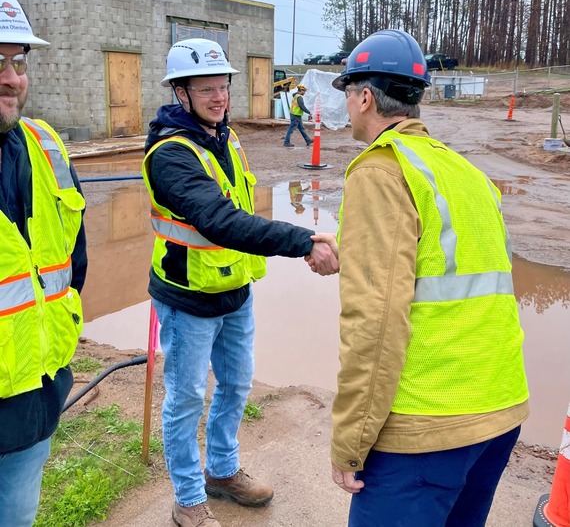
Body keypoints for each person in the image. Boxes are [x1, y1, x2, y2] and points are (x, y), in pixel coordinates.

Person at [323, 29, 529, 527]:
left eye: (348, 93)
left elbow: (373, 322)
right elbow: (451, 275)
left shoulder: (380, 172)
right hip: (499, 409)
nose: (347, 106)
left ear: (366, 97)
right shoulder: (463, 171)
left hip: (428, 424)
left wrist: (350, 441)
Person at [141, 38, 338, 527]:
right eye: (205, 89)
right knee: (186, 399)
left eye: (223, 87)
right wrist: (303, 241)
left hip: (234, 293)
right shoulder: (171, 155)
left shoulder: (226, 140)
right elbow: (220, 219)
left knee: (235, 385)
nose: (218, 97)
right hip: (187, 300)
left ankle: (222, 471)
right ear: (180, 94)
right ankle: (188, 497)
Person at [0, 0, 88, 526]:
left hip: (34, 399)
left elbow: (73, 265)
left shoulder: (46, 145)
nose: (9, 77)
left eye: (17, 61)